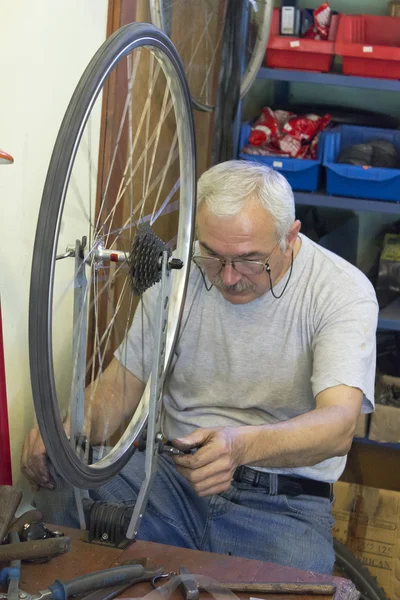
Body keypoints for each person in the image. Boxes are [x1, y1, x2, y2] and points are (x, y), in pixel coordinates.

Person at [22, 160, 378, 574]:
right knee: (62, 488)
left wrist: (239, 446)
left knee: (299, 582)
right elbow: (120, 387)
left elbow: (338, 426)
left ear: (290, 238)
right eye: (211, 255)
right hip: (170, 480)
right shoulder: (177, 269)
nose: (228, 278)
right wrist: (68, 431)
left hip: (282, 507)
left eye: (248, 260)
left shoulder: (341, 290)